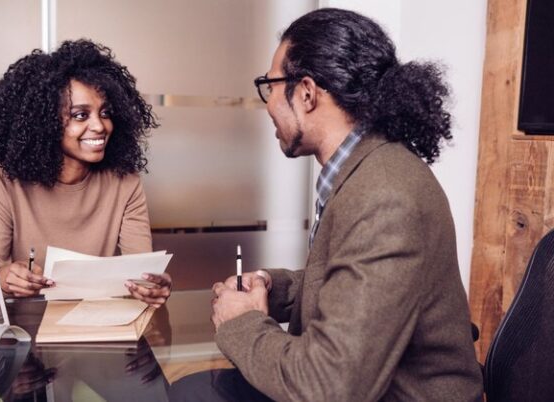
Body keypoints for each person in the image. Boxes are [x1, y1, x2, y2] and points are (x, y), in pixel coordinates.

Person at [170, 8, 483, 402]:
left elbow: (329, 386)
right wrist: (273, 286)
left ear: (306, 92)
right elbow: (355, 284)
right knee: (190, 389)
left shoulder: (385, 196)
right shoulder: (365, 168)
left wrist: (242, 321)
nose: (268, 104)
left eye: (270, 86)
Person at [0, 39, 171, 307]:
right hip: (27, 330)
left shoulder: (126, 182)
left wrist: (153, 285)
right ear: (45, 122)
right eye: (80, 115)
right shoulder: (5, 181)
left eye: (105, 113)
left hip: (99, 327)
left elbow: (141, 272)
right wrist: (5, 278)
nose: (99, 126)